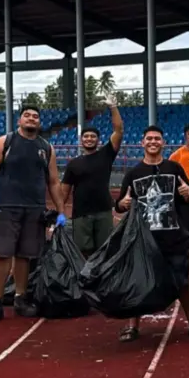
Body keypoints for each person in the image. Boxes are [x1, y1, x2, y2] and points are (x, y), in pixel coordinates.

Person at [114, 125, 189, 342]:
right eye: (148, 138)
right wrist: (122, 203)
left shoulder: (174, 168)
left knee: (182, 282)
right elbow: (120, 205)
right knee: (139, 282)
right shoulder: (133, 173)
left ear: (163, 143)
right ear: (142, 143)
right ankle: (132, 326)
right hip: (143, 240)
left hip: (173, 238)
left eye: (157, 139)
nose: (152, 142)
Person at [0, 106, 68, 324]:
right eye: (27, 115)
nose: (31, 118)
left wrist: (61, 211)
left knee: (25, 256)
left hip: (34, 208)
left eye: (36, 116)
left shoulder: (46, 147)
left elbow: (54, 181)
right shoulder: (4, 142)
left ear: (40, 122)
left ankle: (20, 298)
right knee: (2, 255)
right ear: (19, 120)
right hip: (5, 207)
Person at [61, 92, 123, 260]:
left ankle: (102, 283)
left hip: (103, 211)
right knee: (84, 251)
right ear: (81, 141)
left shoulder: (106, 155)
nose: (89, 139)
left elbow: (118, 130)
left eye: (92, 137)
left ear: (98, 140)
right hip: (81, 214)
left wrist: (113, 107)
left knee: (105, 250)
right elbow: (64, 191)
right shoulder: (73, 164)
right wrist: (59, 212)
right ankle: (86, 282)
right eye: (86, 137)